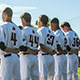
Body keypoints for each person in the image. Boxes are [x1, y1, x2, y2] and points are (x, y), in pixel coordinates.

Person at [0, 7, 21, 80]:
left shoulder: (2, 26)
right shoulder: (18, 29)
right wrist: (15, 51)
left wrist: (13, 51)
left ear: (5, 14)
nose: (2, 17)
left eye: (2, 15)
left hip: (7, 58)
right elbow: (20, 48)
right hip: (16, 58)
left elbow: (2, 46)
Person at [37, 15, 59, 80]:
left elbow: (41, 45)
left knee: (43, 77)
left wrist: (48, 51)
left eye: (38, 21)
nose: (38, 23)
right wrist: (50, 52)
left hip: (44, 56)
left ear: (41, 22)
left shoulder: (40, 30)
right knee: (51, 77)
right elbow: (55, 48)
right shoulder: (52, 32)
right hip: (51, 57)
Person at [19, 12, 40, 80]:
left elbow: (22, 47)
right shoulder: (36, 31)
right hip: (35, 58)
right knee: (35, 78)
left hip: (26, 57)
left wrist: (32, 51)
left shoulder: (23, 30)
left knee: (25, 78)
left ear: (23, 20)